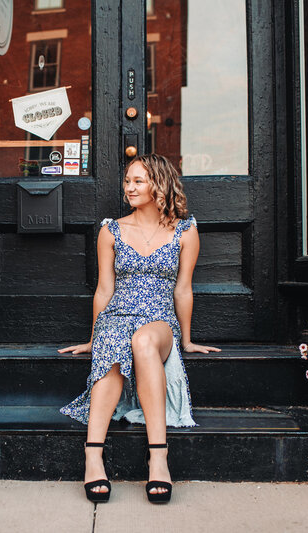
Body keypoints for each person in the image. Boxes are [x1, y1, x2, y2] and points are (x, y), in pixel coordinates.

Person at [59, 153, 220, 504]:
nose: (129, 188)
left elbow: (183, 288)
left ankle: (158, 456)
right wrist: (93, 338)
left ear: (159, 185)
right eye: (127, 181)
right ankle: (93, 455)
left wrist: (187, 340)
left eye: (138, 181)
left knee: (144, 340)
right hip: (117, 314)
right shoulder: (111, 230)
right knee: (116, 341)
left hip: (159, 320)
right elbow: (104, 289)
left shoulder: (185, 230)